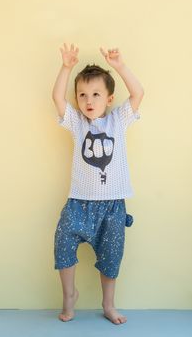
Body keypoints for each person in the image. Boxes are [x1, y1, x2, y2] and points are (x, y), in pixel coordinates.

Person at [52, 43, 144, 324]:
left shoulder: (118, 120)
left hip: (112, 205)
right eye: (82, 95)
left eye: (95, 94)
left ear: (109, 98)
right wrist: (66, 67)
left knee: (111, 256)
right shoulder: (77, 122)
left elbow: (139, 93)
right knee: (62, 243)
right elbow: (56, 97)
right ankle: (69, 297)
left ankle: (108, 304)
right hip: (79, 203)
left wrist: (119, 66)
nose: (88, 100)